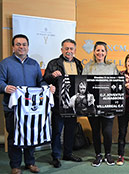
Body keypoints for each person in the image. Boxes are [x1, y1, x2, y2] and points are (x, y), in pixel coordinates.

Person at [0, 34, 55, 174]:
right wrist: (5, 88)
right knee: (14, 136)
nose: (21, 47)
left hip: (31, 109)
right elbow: (0, 82)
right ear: (13, 47)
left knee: (31, 134)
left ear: (28, 47)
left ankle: (30, 163)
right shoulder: (5, 63)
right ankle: (16, 166)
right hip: (12, 108)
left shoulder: (34, 64)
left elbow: (40, 82)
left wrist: (47, 87)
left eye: (24, 44)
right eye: (18, 44)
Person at [43, 39, 83, 168]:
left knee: (70, 130)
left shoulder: (78, 63)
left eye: (71, 49)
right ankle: (55, 156)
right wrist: (52, 76)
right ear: (62, 50)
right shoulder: (53, 63)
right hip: (58, 102)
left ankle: (68, 153)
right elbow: (45, 80)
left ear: (75, 50)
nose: (69, 51)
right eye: (66, 48)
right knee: (57, 131)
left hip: (72, 104)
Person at [82, 41, 119, 167]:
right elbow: (82, 84)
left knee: (107, 131)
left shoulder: (112, 66)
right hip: (92, 104)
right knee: (95, 131)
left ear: (106, 53)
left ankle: (108, 154)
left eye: (102, 50)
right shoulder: (88, 67)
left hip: (108, 104)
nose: (100, 53)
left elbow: (117, 84)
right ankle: (98, 155)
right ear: (94, 52)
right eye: (98, 50)